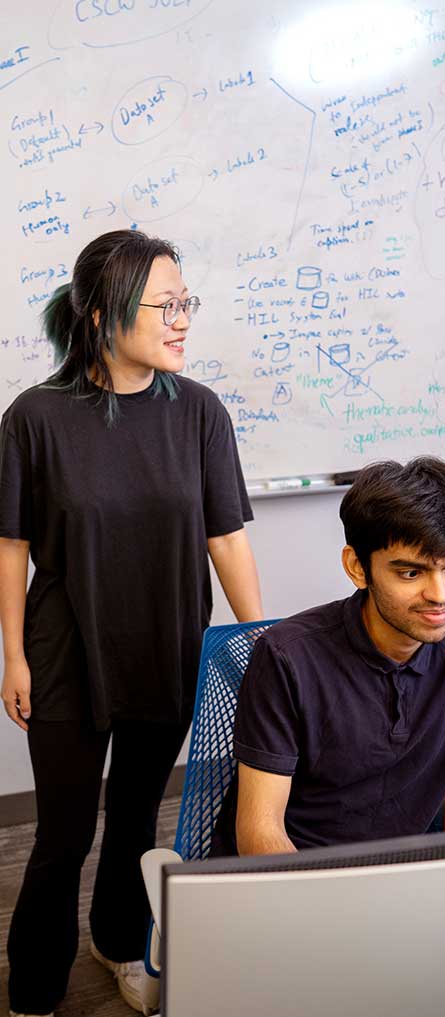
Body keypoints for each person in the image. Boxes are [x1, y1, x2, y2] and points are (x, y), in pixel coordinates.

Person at [0, 229, 263, 1017]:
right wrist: (13, 655)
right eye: (166, 304)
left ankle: (116, 943)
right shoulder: (36, 417)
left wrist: (264, 643)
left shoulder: (201, 414)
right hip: (64, 653)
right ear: (102, 313)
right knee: (62, 833)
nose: (183, 319)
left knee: (138, 816)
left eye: (187, 302)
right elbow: (11, 545)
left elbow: (226, 536)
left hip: (168, 647)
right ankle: (35, 989)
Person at [212, 457, 445, 856]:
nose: (440, 595)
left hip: (398, 877)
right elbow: (260, 832)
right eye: (411, 573)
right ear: (357, 568)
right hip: (294, 878)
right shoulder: (287, 658)